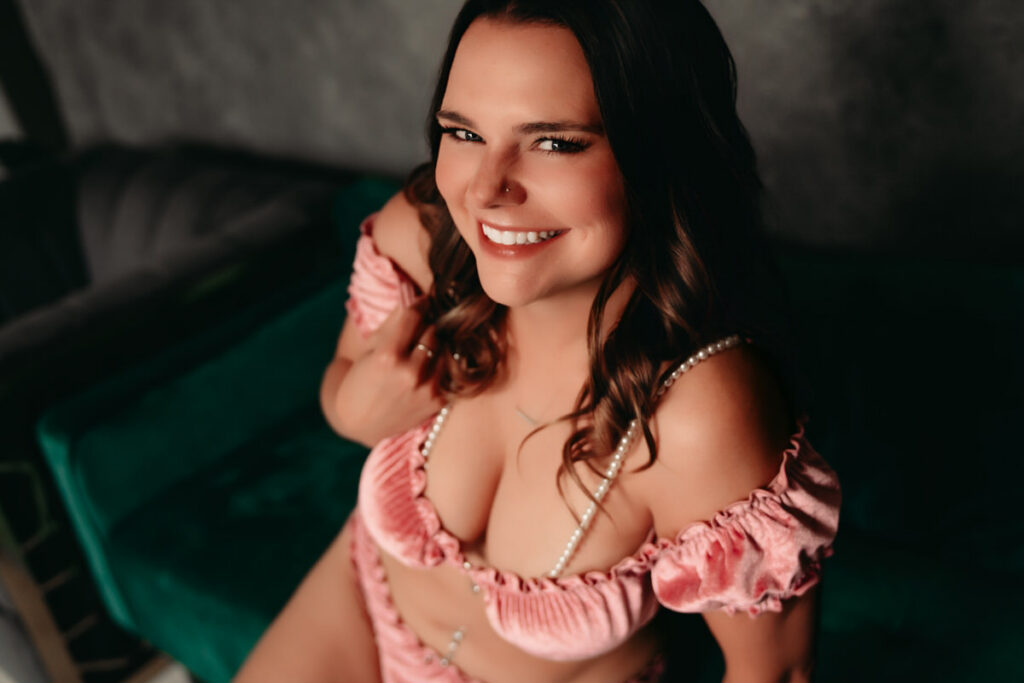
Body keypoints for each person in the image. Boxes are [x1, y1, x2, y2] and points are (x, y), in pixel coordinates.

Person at [236, 1, 841, 681]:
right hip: (361, 603)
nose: (487, 192)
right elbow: (344, 375)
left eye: (554, 142)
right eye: (463, 133)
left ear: (659, 156)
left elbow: (775, 672)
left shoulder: (701, 413)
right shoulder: (423, 243)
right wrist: (350, 407)